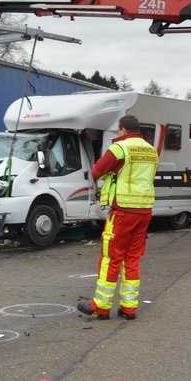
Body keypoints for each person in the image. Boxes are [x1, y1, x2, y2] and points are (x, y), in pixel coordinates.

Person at [77, 115, 159, 320]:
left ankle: (101, 306)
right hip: (145, 209)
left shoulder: (120, 148)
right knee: (132, 258)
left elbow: (96, 171)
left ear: (122, 130)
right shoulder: (151, 150)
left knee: (111, 257)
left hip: (123, 210)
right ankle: (128, 307)